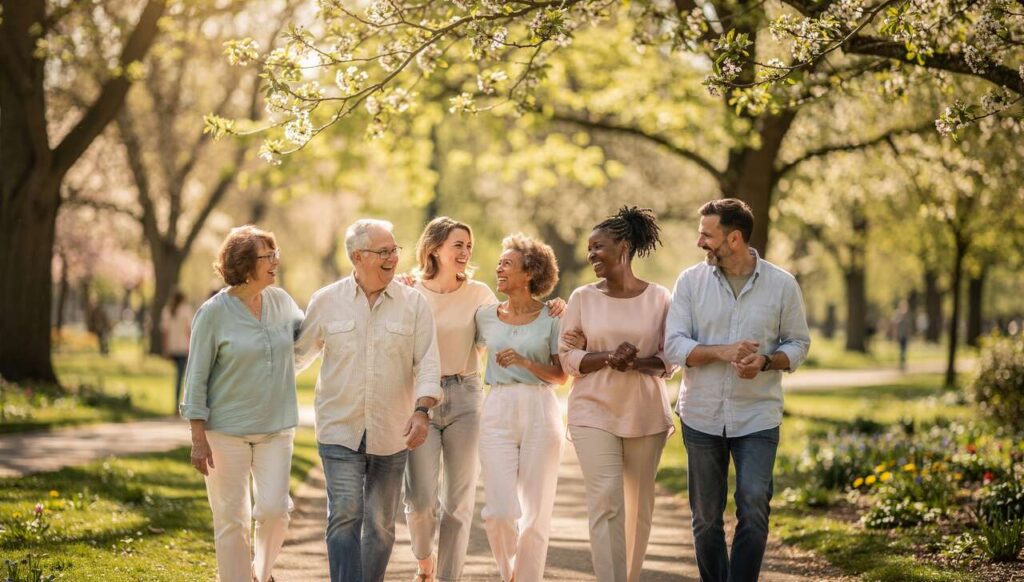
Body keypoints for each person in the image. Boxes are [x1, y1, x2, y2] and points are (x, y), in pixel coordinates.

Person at [664, 199, 810, 582]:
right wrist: (722, 352)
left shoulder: (782, 284)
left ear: (734, 239)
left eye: (707, 235)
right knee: (705, 518)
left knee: (754, 505)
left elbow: (798, 343)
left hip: (757, 415)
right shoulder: (690, 282)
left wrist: (766, 361)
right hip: (701, 415)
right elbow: (674, 344)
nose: (700, 242)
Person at [294, 219, 441, 582]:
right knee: (344, 515)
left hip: (392, 431)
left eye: (394, 250)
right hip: (339, 429)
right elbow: (296, 356)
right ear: (358, 257)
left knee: (380, 524)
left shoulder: (414, 304)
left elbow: (428, 363)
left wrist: (422, 410)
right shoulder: (326, 301)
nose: (393, 258)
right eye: (383, 252)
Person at [558, 207, 677, 582]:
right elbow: (567, 356)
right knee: (606, 498)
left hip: (645, 414)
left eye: (598, 246)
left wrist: (636, 363)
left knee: (638, 507)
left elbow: (670, 358)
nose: (591, 254)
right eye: (589, 248)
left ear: (623, 247)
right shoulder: (582, 298)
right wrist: (607, 357)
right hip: (592, 411)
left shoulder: (660, 298)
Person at [180, 225, 304, 582]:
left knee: (274, 510)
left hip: (276, 428)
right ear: (245, 264)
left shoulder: (281, 302)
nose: (275, 261)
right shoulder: (213, 313)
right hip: (224, 433)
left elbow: (311, 334)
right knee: (231, 520)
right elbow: (196, 377)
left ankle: (260, 574)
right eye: (268, 256)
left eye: (275, 254)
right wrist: (198, 437)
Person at [403, 217, 497, 582]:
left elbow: (505, 327)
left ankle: (448, 577)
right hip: (419, 401)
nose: (465, 252)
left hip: (465, 395)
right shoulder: (409, 291)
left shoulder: (479, 293)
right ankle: (424, 559)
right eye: (458, 245)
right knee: (421, 500)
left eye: (468, 246)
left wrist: (551, 310)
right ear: (434, 248)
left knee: (458, 503)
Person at [475, 233, 566, 582]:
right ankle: (508, 572)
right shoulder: (485, 316)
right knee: (499, 511)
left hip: (540, 407)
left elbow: (561, 376)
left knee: (536, 513)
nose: (498, 268)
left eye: (507, 264)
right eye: (499, 263)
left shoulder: (552, 316)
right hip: (497, 407)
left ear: (529, 273)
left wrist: (526, 362)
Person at [161, 289, 194, 408]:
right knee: (184, 376)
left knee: (179, 376)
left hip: (172, 347)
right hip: (184, 347)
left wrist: (166, 348)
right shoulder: (186, 310)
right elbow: (189, 330)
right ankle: (183, 402)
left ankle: (177, 402)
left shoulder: (167, 310)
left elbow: (165, 332)